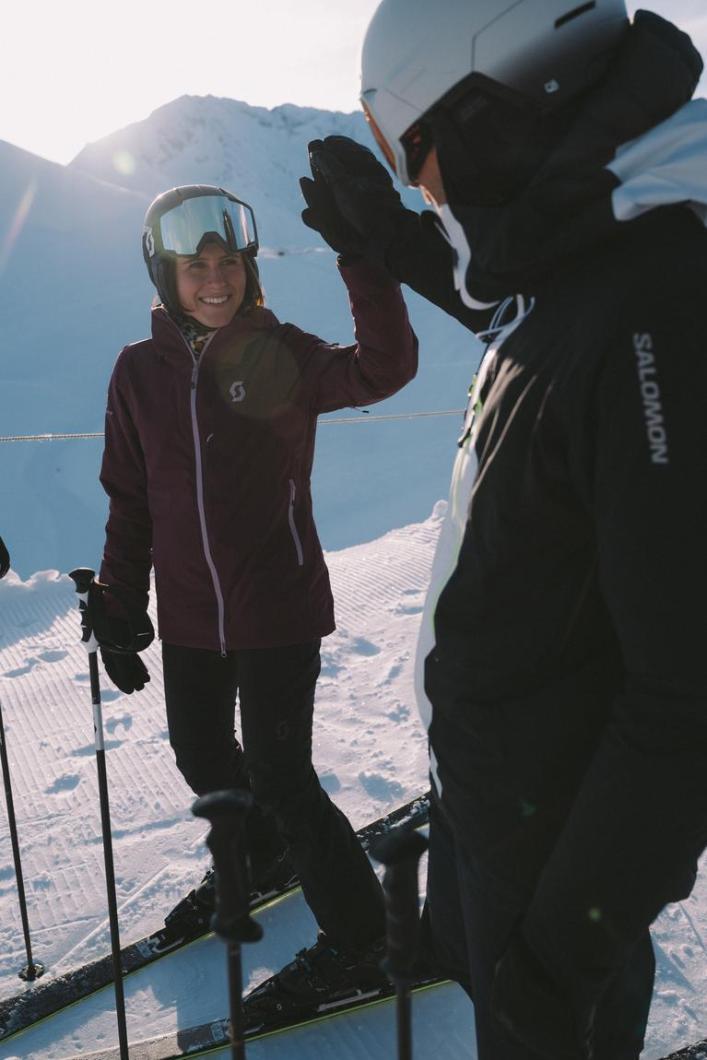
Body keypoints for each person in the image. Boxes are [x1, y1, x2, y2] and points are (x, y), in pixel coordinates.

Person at [299, 3, 707, 1057]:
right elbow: (530, 324)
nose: (420, 189)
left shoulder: (656, 302)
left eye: (413, 156)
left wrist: (551, 968)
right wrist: (385, 241)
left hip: (558, 865)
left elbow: (687, 697)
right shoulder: (595, 256)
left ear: (483, 111)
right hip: (504, 813)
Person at [90, 183, 418, 1005]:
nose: (214, 280)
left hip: (277, 605)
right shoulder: (137, 371)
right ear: (164, 274)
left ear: (249, 270)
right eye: (195, 265)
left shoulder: (281, 352)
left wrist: (364, 267)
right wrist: (122, 599)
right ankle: (266, 853)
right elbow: (130, 499)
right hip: (193, 614)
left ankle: (366, 941)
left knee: (280, 772)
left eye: (228, 263)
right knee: (201, 753)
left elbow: (383, 369)